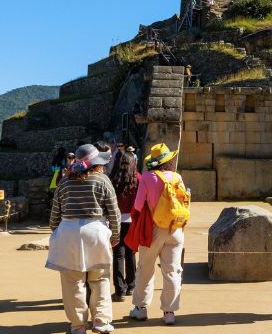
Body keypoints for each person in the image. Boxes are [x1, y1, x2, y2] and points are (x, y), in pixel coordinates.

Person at [46, 144, 120, 334]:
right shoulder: (102, 180)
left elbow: (55, 214)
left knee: (73, 282)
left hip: (68, 231)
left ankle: (78, 325)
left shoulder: (64, 183)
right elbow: (114, 212)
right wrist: (116, 235)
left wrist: (56, 233)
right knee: (100, 278)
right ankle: (101, 320)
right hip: (96, 231)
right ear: (97, 163)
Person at [129, 143, 189, 325]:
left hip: (153, 230)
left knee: (145, 269)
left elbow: (138, 205)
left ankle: (141, 308)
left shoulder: (147, 178)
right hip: (175, 229)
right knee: (172, 271)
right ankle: (169, 312)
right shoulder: (177, 177)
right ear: (168, 161)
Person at [110, 147, 141, 301]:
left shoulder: (113, 179)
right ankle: (131, 285)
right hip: (133, 221)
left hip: (116, 221)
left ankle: (120, 289)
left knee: (118, 255)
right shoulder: (138, 178)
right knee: (131, 253)